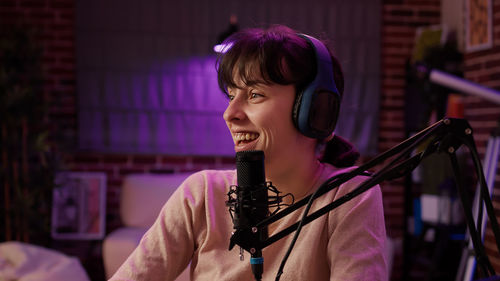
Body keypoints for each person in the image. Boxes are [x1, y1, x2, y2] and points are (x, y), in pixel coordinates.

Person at [110, 25, 387, 281]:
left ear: (316, 111)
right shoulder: (202, 194)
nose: (230, 114)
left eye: (255, 94)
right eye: (231, 95)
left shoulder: (348, 196)